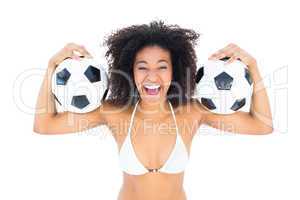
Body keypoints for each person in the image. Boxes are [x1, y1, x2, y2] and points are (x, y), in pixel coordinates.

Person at [33, 20, 273, 200]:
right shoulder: (114, 112)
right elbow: (45, 125)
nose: (152, 77)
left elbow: (262, 125)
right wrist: (51, 66)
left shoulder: (192, 111)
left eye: (162, 67)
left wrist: (253, 66)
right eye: (142, 67)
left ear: (175, 70)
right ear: (130, 71)